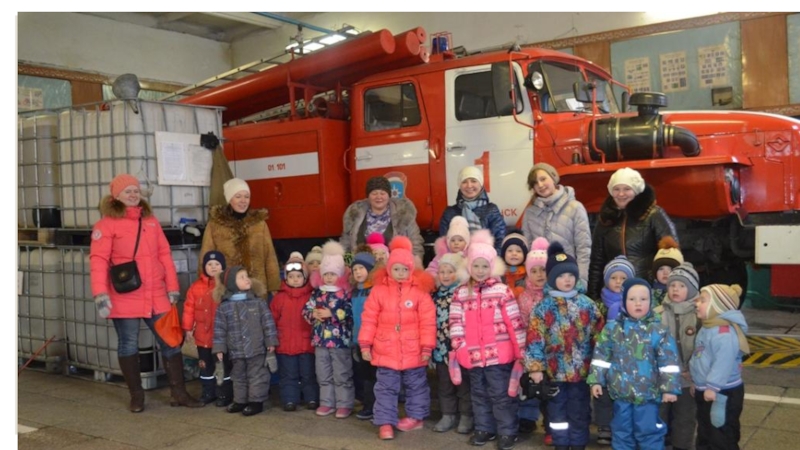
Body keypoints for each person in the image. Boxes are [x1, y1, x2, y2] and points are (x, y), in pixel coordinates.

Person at [90, 173, 202, 412]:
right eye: (127, 191)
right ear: (116, 196)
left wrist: (172, 286)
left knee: (171, 342)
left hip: (155, 294)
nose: (133, 194)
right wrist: (100, 294)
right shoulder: (106, 225)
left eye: (135, 191)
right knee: (128, 344)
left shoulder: (150, 221)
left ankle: (179, 394)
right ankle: (136, 396)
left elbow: (164, 254)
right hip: (125, 294)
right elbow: (98, 259)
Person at [449, 230, 527, 450]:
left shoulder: (502, 292)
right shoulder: (460, 293)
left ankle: (507, 431)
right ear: (469, 267)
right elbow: (455, 322)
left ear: (492, 267)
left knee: (502, 395)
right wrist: (459, 347)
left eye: (485, 266)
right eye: (476, 265)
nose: (480, 270)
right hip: (472, 356)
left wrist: (520, 351)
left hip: (499, 357)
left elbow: (514, 322)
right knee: (479, 394)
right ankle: (484, 428)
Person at [525, 242, 604, 450]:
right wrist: (536, 368)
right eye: (560, 276)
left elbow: (600, 338)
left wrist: (599, 368)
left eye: (570, 275)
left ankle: (578, 444)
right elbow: (534, 339)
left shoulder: (587, 305)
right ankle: (561, 444)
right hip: (554, 373)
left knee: (579, 411)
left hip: (582, 373)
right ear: (552, 279)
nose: (567, 280)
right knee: (557, 413)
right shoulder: (543, 308)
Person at [588, 278, 681, 450]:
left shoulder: (658, 330)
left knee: (649, 432)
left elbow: (668, 362)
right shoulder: (612, 329)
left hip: (648, 395)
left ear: (651, 302)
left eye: (643, 299)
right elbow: (601, 356)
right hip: (620, 394)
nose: (638, 303)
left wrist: (669, 388)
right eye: (632, 299)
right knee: (621, 432)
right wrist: (596, 380)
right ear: (624, 302)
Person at [359, 236, 437, 440]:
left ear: (411, 269)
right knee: (385, 387)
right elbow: (369, 319)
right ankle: (385, 422)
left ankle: (416, 417)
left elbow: (428, 322)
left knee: (416, 384)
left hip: (414, 349)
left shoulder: (420, 292)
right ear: (388, 268)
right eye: (396, 269)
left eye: (405, 269)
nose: (401, 273)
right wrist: (365, 344)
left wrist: (426, 347)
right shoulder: (378, 291)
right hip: (385, 348)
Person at [588, 167, 679, 301]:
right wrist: (593, 297)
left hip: (649, 291)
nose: (621, 194)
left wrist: (668, 288)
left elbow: (671, 254)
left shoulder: (653, 214)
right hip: (615, 293)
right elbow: (597, 261)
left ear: (636, 190)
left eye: (627, 189)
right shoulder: (606, 219)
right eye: (617, 189)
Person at [212, 265, 278, 416]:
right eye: (241, 277)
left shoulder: (258, 303)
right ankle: (240, 400)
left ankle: (256, 401)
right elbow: (219, 329)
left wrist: (271, 342)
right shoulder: (224, 307)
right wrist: (219, 348)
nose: (247, 279)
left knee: (258, 375)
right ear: (231, 284)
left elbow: (268, 323)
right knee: (238, 376)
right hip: (236, 349)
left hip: (257, 348)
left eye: (247, 276)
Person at [691, 284, 749, 450]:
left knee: (721, 434)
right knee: (705, 430)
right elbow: (699, 356)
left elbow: (722, 363)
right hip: (708, 390)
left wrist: (712, 387)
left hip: (722, 392)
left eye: (703, 300)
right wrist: (697, 381)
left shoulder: (724, 333)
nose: (697, 303)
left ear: (718, 307)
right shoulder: (708, 327)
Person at [199, 178, 281, 293]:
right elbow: (206, 255)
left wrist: (274, 286)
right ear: (229, 199)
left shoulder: (259, 224)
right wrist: (206, 284)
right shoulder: (215, 225)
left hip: (256, 287)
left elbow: (270, 256)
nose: (243, 200)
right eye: (238, 196)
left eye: (246, 196)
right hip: (228, 288)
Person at [303, 241, 355, 419]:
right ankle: (327, 402)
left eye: (333, 274)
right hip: (320, 341)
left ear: (340, 274)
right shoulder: (317, 293)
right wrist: (313, 314)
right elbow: (306, 309)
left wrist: (332, 313)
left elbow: (350, 311)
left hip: (340, 341)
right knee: (323, 372)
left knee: (341, 373)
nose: (329, 277)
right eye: (326, 274)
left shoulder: (345, 292)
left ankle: (344, 403)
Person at [520, 162, 591, 286]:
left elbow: (583, 248)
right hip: (540, 283)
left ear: (553, 178)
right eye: (535, 183)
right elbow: (528, 249)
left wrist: (582, 280)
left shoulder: (575, 208)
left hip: (567, 280)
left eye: (543, 179)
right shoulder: (530, 213)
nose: (540, 185)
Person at [656, 262, 701, 450]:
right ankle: (658, 443)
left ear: (691, 290)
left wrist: (692, 370)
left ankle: (682, 446)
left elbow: (702, 347)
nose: (675, 289)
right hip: (661, 379)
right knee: (659, 415)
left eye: (682, 286)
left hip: (686, 379)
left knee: (685, 417)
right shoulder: (658, 313)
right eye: (673, 285)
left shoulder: (698, 314)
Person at [594, 254, 636, 444]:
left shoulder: (635, 303)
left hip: (626, 358)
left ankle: (622, 427)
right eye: (614, 277)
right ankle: (604, 426)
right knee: (602, 391)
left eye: (623, 278)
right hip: (604, 355)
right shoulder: (599, 305)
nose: (618, 282)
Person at [270, 252, 318, 412]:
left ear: (305, 278)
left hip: (307, 345)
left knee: (308, 374)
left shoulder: (312, 297)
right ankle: (290, 399)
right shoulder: (279, 298)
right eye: (291, 276)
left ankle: (311, 398)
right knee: (288, 375)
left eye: (299, 276)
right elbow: (272, 320)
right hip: (285, 346)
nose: (295, 279)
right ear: (286, 278)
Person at [430, 251, 473, 434]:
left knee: (463, 385)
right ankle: (448, 414)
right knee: (444, 384)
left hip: (459, 350)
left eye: (450, 271)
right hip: (440, 350)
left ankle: (466, 415)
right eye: (442, 272)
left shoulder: (463, 293)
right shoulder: (435, 295)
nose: (445, 275)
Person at [182, 250, 229, 405]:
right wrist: (188, 328)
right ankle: (208, 392)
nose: (213, 267)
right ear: (204, 267)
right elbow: (189, 308)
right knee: (205, 366)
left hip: (221, 338)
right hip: (202, 337)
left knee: (223, 366)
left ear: (223, 267)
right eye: (209, 264)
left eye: (217, 264)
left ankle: (224, 393)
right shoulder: (196, 287)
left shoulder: (226, 286)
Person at [341, 176, 424, 261]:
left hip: (395, 269)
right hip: (362, 270)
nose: (378, 197)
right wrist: (348, 265)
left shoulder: (404, 213)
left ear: (389, 195)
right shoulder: (355, 215)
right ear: (368, 196)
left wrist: (415, 262)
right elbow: (346, 244)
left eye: (382, 193)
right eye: (374, 193)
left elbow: (415, 242)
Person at [516, 237, 549, 441]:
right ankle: (527, 417)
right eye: (534, 270)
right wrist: (522, 348)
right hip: (530, 348)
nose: (539, 275)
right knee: (528, 386)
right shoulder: (523, 296)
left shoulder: (553, 295)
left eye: (543, 270)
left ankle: (549, 421)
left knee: (549, 388)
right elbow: (519, 323)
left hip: (551, 350)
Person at [440, 166, 506, 253]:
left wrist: (489, 260)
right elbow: (444, 243)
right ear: (460, 185)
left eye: (474, 181)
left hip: (485, 262)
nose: (469, 185)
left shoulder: (492, 210)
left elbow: (500, 240)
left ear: (480, 184)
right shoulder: (450, 212)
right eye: (464, 182)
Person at [349, 247, 378, 420]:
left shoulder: (375, 290)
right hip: (359, 340)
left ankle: (374, 406)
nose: (358, 272)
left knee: (374, 375)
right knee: (365, 374)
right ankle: (368, 404)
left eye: (361, 268)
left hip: (374, 340)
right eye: (355, 269)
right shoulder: (355, 291)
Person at [651, 237, 684, 306]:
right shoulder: (648, 294)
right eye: (661, 269)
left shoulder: (684, 294)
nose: (665, 273)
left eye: (670, 269)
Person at [501, 232, 529, 300]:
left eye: (518, 251)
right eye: (510, 251)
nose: (514, 254)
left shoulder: (527, 273)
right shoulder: (500, 272)